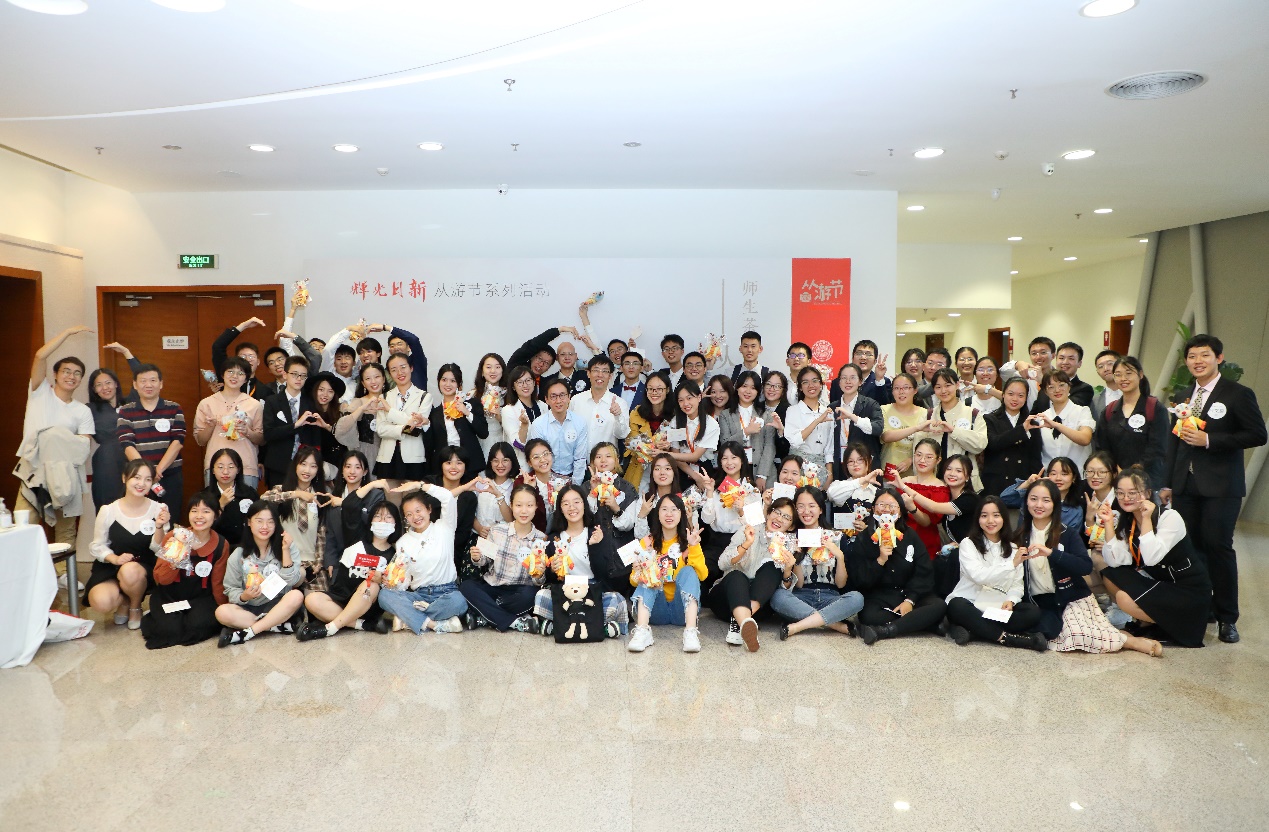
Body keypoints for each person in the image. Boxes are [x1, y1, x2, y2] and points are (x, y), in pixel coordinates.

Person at [1160, 334, 1266, 643]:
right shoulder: (1183, 395)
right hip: (1185, 485)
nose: (1198, 361)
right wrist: (1167, 482)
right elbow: (1174, 442)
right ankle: (1200, 606)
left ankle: (1227, 617)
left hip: (1221, 486)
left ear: (1218, 358)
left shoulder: (1237, 394)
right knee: (1191, 548)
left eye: (1204, 355)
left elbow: (1257, 434)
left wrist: (1210, 440)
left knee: (1218, 547)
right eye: (1192, 356)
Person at [1016, 478, 1160, 656]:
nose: (1039, 505)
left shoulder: (1066, 533)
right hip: (1040, 602)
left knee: (1078, 635)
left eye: (1046, 500)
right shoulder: (1019, 536)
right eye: (1033, 499)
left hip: (1070, 598)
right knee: (1053, 634)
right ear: (1026, 502)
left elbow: (1085, 566)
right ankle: (1117, 635)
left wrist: (1053, 553)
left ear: (1055, 504)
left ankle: (1129, 641)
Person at [1101, 468, 1211, 648]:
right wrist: (1108, 523)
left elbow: (1152, 557)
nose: (1126, 498)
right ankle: (1146, 622)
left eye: (1132, 493)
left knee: (1123, 598)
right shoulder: (1127, 520)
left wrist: (1146, 519)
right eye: (1120, 493)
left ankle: (1172, 623)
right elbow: (1115, 561)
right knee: (1110, 574)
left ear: (1147, 493)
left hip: (1187, 590)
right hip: (1161, 583)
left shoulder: (1170, 517)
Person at [944, 496, 1047, 649]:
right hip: (971, 603)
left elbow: (1017, 585)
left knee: (1032, 612)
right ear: (978, 519)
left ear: (1004, 518)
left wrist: (1011, 601)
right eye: (984, 516)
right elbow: (979, 576)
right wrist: (1011, 564)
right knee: (956, 606)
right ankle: (1008, 638)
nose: (990, 521)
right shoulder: (968, 543)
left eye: (996, 515)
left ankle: (975, 631)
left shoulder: (1013, 548)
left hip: (995, 608)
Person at [851, 488, 946, 645]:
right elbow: (860, 579)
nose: (886, 509)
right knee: (867, 616)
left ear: (900, 512)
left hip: (909, 593)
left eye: (892, 506)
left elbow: (924, 570)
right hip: (880, 596)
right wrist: (880, 560)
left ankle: (886, 630)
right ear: (873, 509)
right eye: (881, 505)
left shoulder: (910, 535)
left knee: (939, 605)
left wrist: (910, 600)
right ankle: (923, 623)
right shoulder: (864, 538)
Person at [297, 501, 401, 640]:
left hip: (368, 604)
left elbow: (394, 587)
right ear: (370, 521)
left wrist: (381, 580)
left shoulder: (395, 556)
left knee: (371, 584)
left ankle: (330, 628)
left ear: (395, 523)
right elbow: (352, 502)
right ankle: (362, 625)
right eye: (378, 516)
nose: (383, 521)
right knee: (311, 599)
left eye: (388, 517)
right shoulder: (357, 543)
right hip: (342, 597)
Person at [533, 484, 628, 638]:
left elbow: (604, 574)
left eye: (576, 502)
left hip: (592, 590)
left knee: (615, 599)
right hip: (566, 592)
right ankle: (597, 626)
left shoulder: (596, 534)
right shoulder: (552, 539)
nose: (572, 507)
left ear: (584, 504)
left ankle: (561, 625)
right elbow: (551, 580)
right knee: (542, 596)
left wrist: (595, 546)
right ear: (560, 509)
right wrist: (552, 570)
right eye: (566, 503)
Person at [85, 459, 170, 629]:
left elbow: (160, 549)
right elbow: (97, 545)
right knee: (101, 601)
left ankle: (135, 606)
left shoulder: (159, 509)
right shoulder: (108, 510)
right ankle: (125, 600)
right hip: (112, 565)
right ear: (124, 478)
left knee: (130, 570)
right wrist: (115, 559)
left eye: (147, 479)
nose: (141, 484)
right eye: (136, 478)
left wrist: (160, 526)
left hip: (143, 567)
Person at [772, 486, 864, 640]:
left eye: (811, 506)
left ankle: (797, 626)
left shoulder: (836, 536)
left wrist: (839, 556)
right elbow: (799, 584)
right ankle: (835, 624)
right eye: (801, 506)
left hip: (831, 598)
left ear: (821, 509)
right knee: (778, 596)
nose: (806, 511)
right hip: (801, 597)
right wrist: (798, 555)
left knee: (857, 598)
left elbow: (841, 584)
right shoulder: (791, 538)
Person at [142, 491, 231, 649]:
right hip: (170, 596)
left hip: (200, 598)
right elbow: (161, 579)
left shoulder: (220, 544)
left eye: (206, 511)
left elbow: (218, 583)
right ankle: (155, 617)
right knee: (169, 630)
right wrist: (177, 556)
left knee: (199, 625)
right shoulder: (174, 536)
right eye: (194, 511)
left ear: (216, 515)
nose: (199, 516)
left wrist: (224, 608)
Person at [376, 485, 469, 633]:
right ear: (405, 518)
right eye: (409, 514)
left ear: (429, 509)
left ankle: (410, 618)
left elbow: (448, 497)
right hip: (419, 595)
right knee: (384, 596)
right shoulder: (403, 542)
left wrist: (420, 485)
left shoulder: (444, 527)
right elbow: (405, 580)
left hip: (447, 592)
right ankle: (434, 624)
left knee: (459, 602)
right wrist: (393, 583)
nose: (415, 517)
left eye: (418, 511)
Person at [215, 501, 306, 646]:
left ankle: (249, 632)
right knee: (221, 612)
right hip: (250, 608)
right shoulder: (238, 554)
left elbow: (292, 581)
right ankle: (276, 626)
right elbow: (230, 589)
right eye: (259, 521)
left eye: (270, 522)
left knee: (296, 596)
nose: (265, 526)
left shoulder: (287, 546)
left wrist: (285, 551)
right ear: (249, 522)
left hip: (279, 604)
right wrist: (244, 596)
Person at [709, 497, 795, 651]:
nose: (779, 518)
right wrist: (746, 544)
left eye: (786, 517)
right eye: (777, 512)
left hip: (760, 607)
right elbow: (722, 563)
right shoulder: (748, 529)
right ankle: (744, 621)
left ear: (791, 526)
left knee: (772, 567)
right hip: (726, 600)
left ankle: (741, 622)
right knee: (737, 576)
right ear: (768, 513)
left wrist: (788, 569)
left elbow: (783, 591)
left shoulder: (788, 545)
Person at [459, 483, 548, 633]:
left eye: (529, 505)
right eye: (519, 505)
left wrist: (539, 574)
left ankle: (485, 616)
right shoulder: (497, 531)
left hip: (519, 592)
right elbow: (485, 560)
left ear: (536, 507)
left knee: (533, 595)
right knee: (466, 587)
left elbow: (538, 581)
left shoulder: (541, 539)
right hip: (493, 586)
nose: (524, 510)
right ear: (511, 506)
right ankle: (513, 621)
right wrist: (477, 557)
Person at [626, 494, 707, 653]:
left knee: (688, 571)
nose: (669, 514)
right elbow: (633, 582)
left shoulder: (689, 540)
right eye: (664, 509)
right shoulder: (646, 542)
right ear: (657, 514)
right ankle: (642, 631)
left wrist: (693, 547)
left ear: (681, 514)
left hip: (682, 611)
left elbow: (703, 575)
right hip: (656, 610)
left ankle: (691, 632)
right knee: (649, 571)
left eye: (674, 510)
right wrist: (638, 570)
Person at [115, 363, 186, 519]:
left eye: (153, 380)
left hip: (170, 476)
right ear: (135, 385)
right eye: (143, 381)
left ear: (161, 384)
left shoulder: (174, 408)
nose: (148, 385)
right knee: (141, 520)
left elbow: (177, 442)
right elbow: (127, 445)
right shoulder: (126, 411)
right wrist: (147, 473)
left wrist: (157, 470)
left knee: (170, 519)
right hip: (138, 479)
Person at [1092, 356, 1169, 493]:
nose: (1123, 378)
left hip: (1148, 481)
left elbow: (1158, 447)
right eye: (1118, 374)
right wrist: (1116, 469)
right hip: (1116, 481)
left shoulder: (1154, 408)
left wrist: (1135, 470)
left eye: (1128, 373)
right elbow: (1102, 447)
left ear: (1140, 374)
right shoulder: (1110, 410)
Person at [192, 357, 264, 489]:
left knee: (247, 502)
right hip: (216, 467)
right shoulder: (206, 403)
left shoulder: (254, 405)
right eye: (230, 371)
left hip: (246, 466)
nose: (234, 376)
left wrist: (247, 431)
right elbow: (200, 441)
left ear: (246, 379)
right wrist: (210, 426)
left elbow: (261, 439)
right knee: (216, 502)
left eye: (240, 373)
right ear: (222, 374)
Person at [913, 368, 987, 489]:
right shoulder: (928, 415)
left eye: (948, 385)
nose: (943, 391)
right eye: (938, 387)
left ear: (957, 385)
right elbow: (917, 452)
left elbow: (980, 444)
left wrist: (954, 431)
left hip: (964, 483)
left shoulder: (973, 414)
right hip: (932, 482)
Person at [264, 447, 328, 581]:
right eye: (303, 464)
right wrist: (296, 494)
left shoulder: (321, 495)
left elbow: (322, 532)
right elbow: (264, 499)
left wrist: (319, 561)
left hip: (311, 561)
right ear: (295, 466)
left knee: (319, 593)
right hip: (284, 558)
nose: (307, 470)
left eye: (313, 466)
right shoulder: (282, 490)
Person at [261, 356, 323, 487]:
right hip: (278, 465)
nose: (299, 379)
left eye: (303, 376)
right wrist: (295, 425)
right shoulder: (272, 401)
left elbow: (315, 437)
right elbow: (269, 434)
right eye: (294, 374)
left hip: (305, 466)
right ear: (285, 375)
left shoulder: (311, 403)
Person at [375, 353, 434, 483]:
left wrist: (390, 411)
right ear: (389, 374)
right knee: (389, 494)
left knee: (411, 494)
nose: (399, 373)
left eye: (403, 367)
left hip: (413, 456)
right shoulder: (384, 397)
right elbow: (381, 429)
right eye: (394, 370)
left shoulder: (424, 397)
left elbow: (416, 429)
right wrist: (404, 428)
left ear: (411, 368)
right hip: (388, 456)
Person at [86, 357, 134, 511]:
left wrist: (127, 354)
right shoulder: (89, 409)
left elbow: (141, 376)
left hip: (132, 459)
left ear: (116, 384)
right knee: (108, 507)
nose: (104, 387)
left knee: (134, 506)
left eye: (108, 382)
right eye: (98, 385)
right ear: (94, 389)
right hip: (107, 462)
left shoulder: (130, 404)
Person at [427, 364, 488, 483]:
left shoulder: (472, 404)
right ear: (438, 382)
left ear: (459, 384)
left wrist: (467, 412)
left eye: (453, 381)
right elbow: (430, 444)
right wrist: (425, 425)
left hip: (469, 464)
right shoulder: (434, 412)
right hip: (444, 467)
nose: (448, 384)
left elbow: (483, 433)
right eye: (444, 380)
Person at [981, 377, 1041, 498]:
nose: (1015, 399)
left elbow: (1035, 457)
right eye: (1011, 394)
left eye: (1020, 395)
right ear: (1003, 395)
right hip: (995, 482)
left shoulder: (1032, 423)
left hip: (1022, 483)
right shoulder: (990, 419)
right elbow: (994, 443)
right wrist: (1021, 430)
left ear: (1026, 398)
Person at [895, 439, 950, 559]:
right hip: (899, 538)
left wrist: (912, 508)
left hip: (925, 542)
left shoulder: (940, 488)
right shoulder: (903, 481)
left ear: (938, 460)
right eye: (919, 455)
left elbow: (927, 522)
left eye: (929, 457)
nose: (922, 460)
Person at [1030, 369, 1095, 470]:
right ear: (1045, 391)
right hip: (1051, 476)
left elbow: (1085, 439)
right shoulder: (1041, 418)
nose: (1057, 390)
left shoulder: (1082, 411)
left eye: (1061, 385)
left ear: (1069, 387)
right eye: (1051, 387)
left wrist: (1056, 425)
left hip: (1078, 475)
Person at [529, 378, 589, 483]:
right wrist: (547, 485)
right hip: (546, 477)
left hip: (572, 476)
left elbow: (580, 458)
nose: (558, 401)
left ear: (569, 397)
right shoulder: (538, 425)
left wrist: (575, 485)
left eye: (562, 395)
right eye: (553, 396)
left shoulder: (580, 423)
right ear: (546, 400)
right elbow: (538, 458)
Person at [828, 362, 883, 479]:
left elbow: (878, 428)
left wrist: (852, 417)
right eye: (844, 378)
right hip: (840, 466)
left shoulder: (870, 404)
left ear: (860, 382)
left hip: (865, 467)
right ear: (839, 382)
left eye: (853, 378)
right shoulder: (832, 407)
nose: (848, 381)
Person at [623, 372, 673, 489]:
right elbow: (633, 442)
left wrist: (668, 447)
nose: (654, 392)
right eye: (650, 389)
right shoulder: (636, 413)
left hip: (668, 468)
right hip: (640, 468)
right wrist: (654, 446)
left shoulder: (675, 414)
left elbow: (680, 445)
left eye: (659, 389)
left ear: (667, 390)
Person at [569, 355, 630, 451]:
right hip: (579, 458)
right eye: (596, 370)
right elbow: (569, 430)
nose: (600, 375)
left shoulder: (620, 403)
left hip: (606, 459)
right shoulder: (576, 400)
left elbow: (622, 435)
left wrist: (618, 416)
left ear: (610, 376)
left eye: (605, 371)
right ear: (588, 373)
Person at [665, 379, 720, 486]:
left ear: (699, 398)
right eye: (681, 400)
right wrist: (694, 476)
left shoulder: (711, 424)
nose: (685, 403)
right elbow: (676, 455)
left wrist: (663, 454)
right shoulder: (675, 422)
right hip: (682, 469)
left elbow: (695, 456)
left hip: (704, 470)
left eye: (689, 398)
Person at [730, 370, 777, 488]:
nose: (748, 391)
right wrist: (746, 432)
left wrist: (762, 475)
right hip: (735, 471)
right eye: (744, 386)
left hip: (762, 471)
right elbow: (725, 443)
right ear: (737, 388)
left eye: (753, 388)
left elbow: (770, 446)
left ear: (758, 391)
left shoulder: (766, 415)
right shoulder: (726, 415)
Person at [506, 324, 584, 395]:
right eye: (539, 359)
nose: (541, 364)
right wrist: (560, 329)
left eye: (546, 363)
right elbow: (532, 345)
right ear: (532, 357)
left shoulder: (546, 384)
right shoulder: (515, 370)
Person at [335, 361, 388, 464]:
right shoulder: (358, 402)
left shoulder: (392, 400)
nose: (373, 381)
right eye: (368, 378)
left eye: (377, 377)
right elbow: (341, 429)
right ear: (363, 383)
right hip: (365, 455)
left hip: (389, 454)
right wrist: (362, 409)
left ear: (384, 379)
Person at [878, 373, 928, 481]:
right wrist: (917, 428)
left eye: (906, 388)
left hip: (915, 475)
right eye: (896, 388)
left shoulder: (925, 413)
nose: (901, 392)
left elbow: (928, 445)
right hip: (888, 472)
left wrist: (911, 460)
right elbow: (886, 436)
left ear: (915, 390)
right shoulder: (884, 410)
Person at [203, 448, 257, 546]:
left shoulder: (249, 493)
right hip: (216, 547)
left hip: (244, 546)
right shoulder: (205, 495)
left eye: (231, 467)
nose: (225, 472)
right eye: (220, 467)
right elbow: (203, 527)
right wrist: (220, 505)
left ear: (238, 470)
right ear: (213, 470)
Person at [784, 366, 834, 470]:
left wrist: (829, 473)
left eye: (815, 381)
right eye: (805, 382)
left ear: (821, 385)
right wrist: (817, 421)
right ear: (800, 387)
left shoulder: (827, 412)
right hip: (797, 465)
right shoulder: (793, 411)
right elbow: (794, 442)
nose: (811, 385)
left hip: (821, 467)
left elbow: (829, 448)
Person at [210, 316, 266, 399]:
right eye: (243, 356)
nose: (247, 360)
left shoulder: (265, 390)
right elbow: (218, 347)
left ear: (258, 361)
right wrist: (243, 326)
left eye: (251, 356)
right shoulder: (227, 381)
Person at [306, 371, 348, 480]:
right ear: (314, 390)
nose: (325, 394)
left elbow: (346, 439)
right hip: (314, 463)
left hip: (338, 461)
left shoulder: (340, 412)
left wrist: (327, 427)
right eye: (321, 390)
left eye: (330, 391)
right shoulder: (307, 412)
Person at [501, 365, 543, 469]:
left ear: (534, 382)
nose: (525, 385)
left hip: (543, 463)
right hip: (522, 465)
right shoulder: (508, 410)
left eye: (528, 380)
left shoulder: (543, 406)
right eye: (519, 382)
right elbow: (517, 444)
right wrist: (524, 426)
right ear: (513, 387)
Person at [473, 352, 508, 456]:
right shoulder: (472, 395)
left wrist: (500, 417)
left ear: (502, 371)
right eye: (488, 367)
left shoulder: (508, 395)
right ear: (482, 371)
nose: (493, 371)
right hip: (478, 443)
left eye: (497, 367)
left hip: (501, 441)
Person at [1054, 342, 1095, 407]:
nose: (1065, 362)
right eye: (1061, 358)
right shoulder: (1047, 386)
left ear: (1079, 363)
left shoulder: (1084, 389)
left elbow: (1068, 408)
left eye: (1071, 358)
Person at [853, 340, 892, 405]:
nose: (863, 357)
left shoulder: (884, 382)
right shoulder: (839, 382)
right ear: (853, 359)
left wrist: (879, 379)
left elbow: (885, 406)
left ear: (875, 361)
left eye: (868, 354)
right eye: (859, 353)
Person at [1090, 349, 1122, 416]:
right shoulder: (1094, 401)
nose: (1106, 369)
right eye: (1100, 367)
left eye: (1110, 364)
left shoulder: (1137, 395)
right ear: (1098, 372)